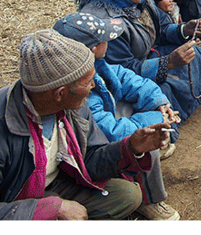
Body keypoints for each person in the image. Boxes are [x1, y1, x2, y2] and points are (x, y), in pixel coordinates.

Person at [0, 30, 169, 220]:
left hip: (58, 181)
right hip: (17, 201)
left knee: (126, 195)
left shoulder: (72, 106)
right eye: (87, 82)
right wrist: (50, 209)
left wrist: (130, 147)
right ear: (60, 93)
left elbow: (90, 159)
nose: (93, 87)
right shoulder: (5, 124)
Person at [52, 12, 181, 220]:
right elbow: (110, 134)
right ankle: (150, 200)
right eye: (104, 38)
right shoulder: (80, 96)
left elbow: (127, 78)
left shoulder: (98, 67)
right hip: (93, 154)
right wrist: (156, 121)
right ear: (92, 49)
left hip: (104, 134)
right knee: (142, 139)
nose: (109, 40)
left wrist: (158, 102)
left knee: (133, 111)